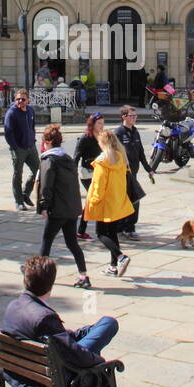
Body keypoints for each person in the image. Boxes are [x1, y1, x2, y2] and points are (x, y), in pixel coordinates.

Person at [1, 255, 119, 375]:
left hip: (22, 370)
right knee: (109, 323)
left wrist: (79, 334)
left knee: (100, 326)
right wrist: (100, 362)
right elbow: (76, 355)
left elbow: (56, 338)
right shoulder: (45, 317)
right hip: (55, 374)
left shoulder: (13, 306)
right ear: (51, 284)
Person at [35, 125, 91, 289]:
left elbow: (46, 185)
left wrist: (44, 206)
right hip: (71, 209)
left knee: (46, 241)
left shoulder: (49, 160)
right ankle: (84, 275)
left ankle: (39, 276)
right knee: (72, 243)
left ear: (47, 142)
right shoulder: (67, 159)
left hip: (57, 209)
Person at [84, 128, 136, 277]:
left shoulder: (102, 162)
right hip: (117, 200)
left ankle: (120, 257)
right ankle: (113, 267)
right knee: (112, 233)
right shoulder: (121, 157)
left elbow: (99, 186)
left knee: (100, 233)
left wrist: (93, 200)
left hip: (105, 202)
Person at [113, 104, 152, 242]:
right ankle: (126, 228)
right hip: (122, 174)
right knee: (131, 200)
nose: (134, 118)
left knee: (132, 200)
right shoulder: (117, 133)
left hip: (133, 174)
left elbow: (140, 152)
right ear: (124, 117)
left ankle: (125, 227)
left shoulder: (136, 132)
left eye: (135, 116)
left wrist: (149, 169)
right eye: (131, 116)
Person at [3, 88, 38, 211]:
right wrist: (14, 147)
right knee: (18, 174)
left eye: (23, 99)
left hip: (31, 146)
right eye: (17, 99)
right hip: (18, 148)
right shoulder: (11, 113)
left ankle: (25, 194)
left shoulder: (30, 110)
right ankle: (19, 202)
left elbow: (32, 127)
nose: (20, 101)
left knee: (37, 171)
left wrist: (33, 139)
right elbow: (8, 132)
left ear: (28, 100)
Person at [73, 113, 104, 240]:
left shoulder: (102, 137)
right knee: (97, 199)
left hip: (99, 171)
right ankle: (99, 229)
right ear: (92, 124)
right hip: (87, 172)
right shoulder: (85, 138)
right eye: (99, 123)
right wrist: (72, 175)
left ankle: (81, 230)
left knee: (92, 200)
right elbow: (76, 156)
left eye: (103, 123)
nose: (101, 126)